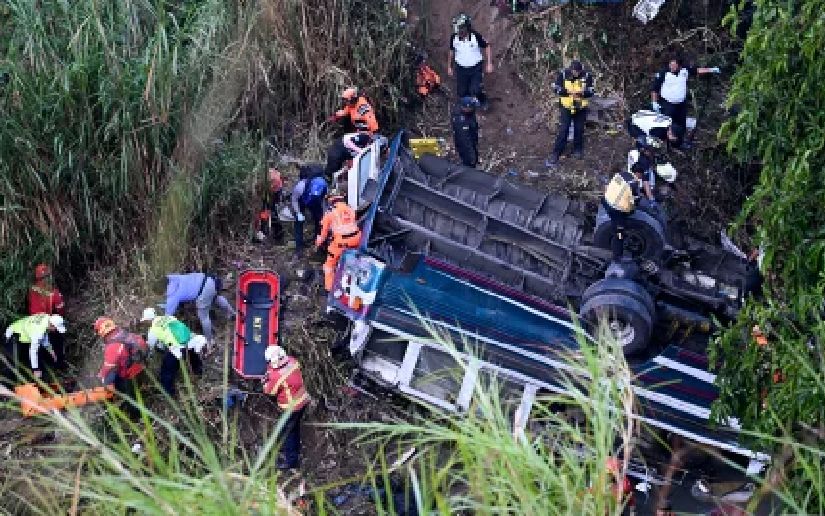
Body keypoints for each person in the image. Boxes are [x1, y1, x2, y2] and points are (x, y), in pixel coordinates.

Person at [141, 307, 207, 397]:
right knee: (192, 356)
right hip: (191, 340)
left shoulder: (153, 330)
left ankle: (169, 392)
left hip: (178, 347)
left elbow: (151, 347)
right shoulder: (168, 317)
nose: (145, 323)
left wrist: (149, 356)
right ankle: (198, 372)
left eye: (145, 321)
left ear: (148, 320)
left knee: (167, 369)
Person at [262, 345, 310, 469]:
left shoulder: (276, 376)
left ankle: (291, 462)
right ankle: (294, 449)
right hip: (303, 401)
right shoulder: (293, 361)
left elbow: (269, 391)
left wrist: (265, 381)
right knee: (295, 428)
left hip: (291, 408)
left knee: (288, 433)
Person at [95, 316, 148, 418]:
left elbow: (108, 367)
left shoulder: (113, 346)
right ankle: (139, 389)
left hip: (130, 373)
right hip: (141, 366)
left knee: (131, 397)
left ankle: (136, 416)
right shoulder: (127, 335)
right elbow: (142, 344)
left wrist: (101, 376)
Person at [163, 272, 236, 345]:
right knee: (215, 297)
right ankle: (232, 313)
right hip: (208, 279)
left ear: (164, 292)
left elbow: (167, 317)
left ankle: (209, 341)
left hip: (203, 292)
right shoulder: (172, 278)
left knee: (204, 317)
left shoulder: (173, 296)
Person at [650, 57, 720, 130]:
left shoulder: (685, 70)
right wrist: (654, 102)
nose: (672, 67)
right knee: (667, 123)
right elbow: (655, 88)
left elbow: (697, 70)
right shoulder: (663, 73)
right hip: (667, 104)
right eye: (671, 65)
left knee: (681, 123)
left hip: (681, 104)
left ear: (679, 66)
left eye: (674, 65)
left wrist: (711, 70)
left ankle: (680, 135)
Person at [548, 60, 594, 164]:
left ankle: (577, 150)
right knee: (564, 129)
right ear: (571, 69)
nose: (576, 73)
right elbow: (556, 88)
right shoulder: (563, 74)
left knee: (579, 129)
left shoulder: (587, 76)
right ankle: (556, 153)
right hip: (566, 106)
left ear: (581, 70)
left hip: (580, 107)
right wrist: (567, 92)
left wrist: (582, 93)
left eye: (578, 72)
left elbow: (591, 91)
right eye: (574, 71)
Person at [315, 194, 362, 291]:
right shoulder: (350, 209)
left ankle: (329, 289)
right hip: (357, 240)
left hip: (341, 243)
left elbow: (323, 233)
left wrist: (318, 243)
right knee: (353, 263)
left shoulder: (330, 212)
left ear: (331, 201)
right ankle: (353, 284)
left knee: (329, 266)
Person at [601, 163, 646, 260]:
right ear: (638, 173)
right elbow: (635, 202)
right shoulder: (633, 184)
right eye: (641, 175)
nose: (641, 177)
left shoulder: (620, 174)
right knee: (619, 233)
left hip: (605, 201)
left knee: (627, 211)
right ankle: (617, 255)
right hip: (615, 210)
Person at [447, 13, 493, 107]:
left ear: (466, 27)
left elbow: (487, 46)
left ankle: (482, 99)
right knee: (462, 92)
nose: (459, 32)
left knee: (476, 89)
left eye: (460, 29)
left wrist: (489, 63)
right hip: (461, 68)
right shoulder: (454, 38)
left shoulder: (475, 36)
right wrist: (449, 67)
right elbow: (451, 51)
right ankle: (468, 106)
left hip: (475, 68)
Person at [3, 314, 66, 380]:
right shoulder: (38, 332)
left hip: (23, 333)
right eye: (56, 328)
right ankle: (8, 381)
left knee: (29, 357)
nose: (55, 330)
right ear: (51, 325)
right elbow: (33, 351)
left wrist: (51, 352)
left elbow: (44, 339)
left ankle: (30, 374)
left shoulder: (47, 318)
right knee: (11, 362)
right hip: (13, 335)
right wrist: (35, 369)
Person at [27, 263, 66, 370]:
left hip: (32, 322)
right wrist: (59, 319)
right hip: (45, 321)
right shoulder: (53, 292)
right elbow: (61, 309)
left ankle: (38, 368)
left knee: (37, 346)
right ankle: (59, 365)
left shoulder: (31, 289)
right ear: (49, 277)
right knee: (57, 338)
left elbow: (30, 305)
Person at [291, 175, 328, 259]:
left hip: (316, 202)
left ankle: (318, 244)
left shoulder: (324, 187)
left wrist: (324, 215)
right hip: (301, 200)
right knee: (298, 223)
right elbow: (294, 200)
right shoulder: (300, 187)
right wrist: (298, 212)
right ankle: (299, 249)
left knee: (319, 221)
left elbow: (324, 203)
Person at [253, 167, 285, 244]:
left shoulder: (272, 177)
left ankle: (276, 234)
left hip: (274, 192)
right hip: (271, 192)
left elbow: (275, 189)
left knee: (271, 212)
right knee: (266, 212)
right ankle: (267, 232)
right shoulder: (271, 174)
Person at [451, 96, 480, 167]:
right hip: (464, 146)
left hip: (471, 137)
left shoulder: (469, 113)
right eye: (472, 107)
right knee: (469, 162)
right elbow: (465, 141)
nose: (474, 109)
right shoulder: (460, 121)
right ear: (466, 108)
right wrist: (471, 155)